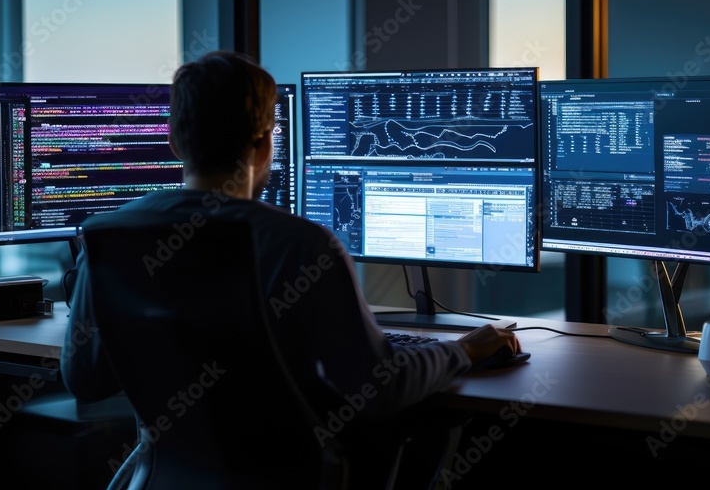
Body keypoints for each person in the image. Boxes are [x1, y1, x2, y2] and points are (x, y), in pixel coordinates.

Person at [60, 49, 522, 485]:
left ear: (174, 140)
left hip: (163, 477)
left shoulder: (106, 235)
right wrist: (463, 351)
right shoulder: (303, 245)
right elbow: (379, 389)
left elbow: (84, 380)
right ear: (264, 145)